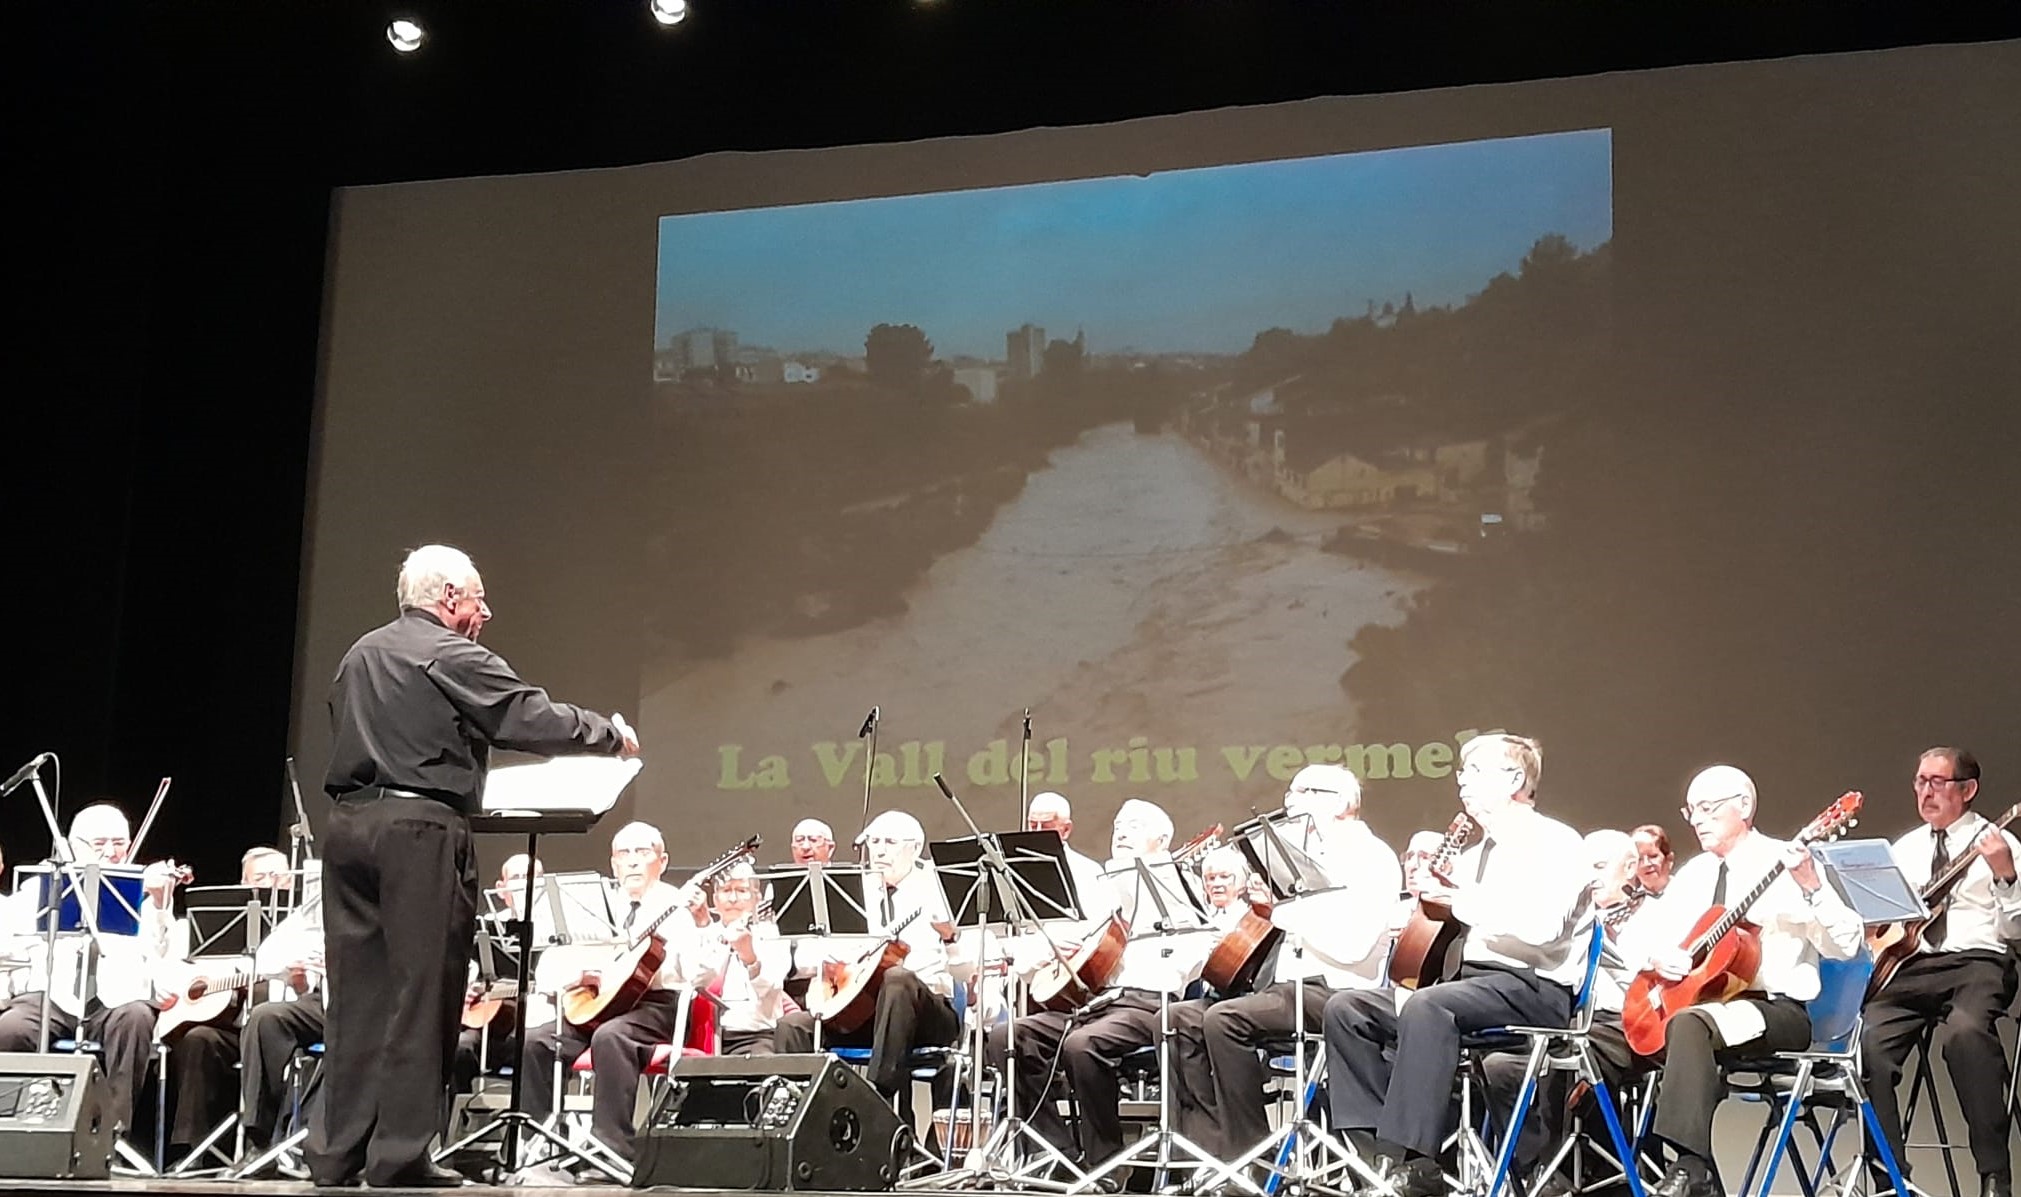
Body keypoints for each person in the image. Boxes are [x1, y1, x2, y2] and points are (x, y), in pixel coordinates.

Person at [310, 543, 638, 1189]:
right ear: (449, 596)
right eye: (478, 598)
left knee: (358, 998)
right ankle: (400, 1157)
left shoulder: (359, 653)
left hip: (349, 828)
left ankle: (336, 1153)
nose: (485, 611)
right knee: (423, 994)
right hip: (418, 829)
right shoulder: (450, 651)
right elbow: (524, 714)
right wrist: (609, 736)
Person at [1324, 734, 1593, 1197]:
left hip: (1534, 987)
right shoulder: (1473, 857)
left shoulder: (1557, 842)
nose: (1460, 779)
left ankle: (1418, 1166)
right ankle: (1376, 1162)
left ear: (1514, 779)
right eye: (1461, 771)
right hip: (1472, 987)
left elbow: (1544, 929)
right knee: (1348, 1009)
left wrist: (1461, 901)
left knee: (1431, 1008)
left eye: (1474, 771)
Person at [1618, 765, 1863, 1197]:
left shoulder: (1788, 863)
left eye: (1708, 808)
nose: (1696, 819)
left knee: (1688, 1025)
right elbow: (1637, 936)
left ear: (1745, 806)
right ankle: (1678, 1172)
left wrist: (1811, 886)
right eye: (1691, 809)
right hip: (1711, 1006)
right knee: (1644, 1034)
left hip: (1777, 1010)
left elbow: (1847, 944)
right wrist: (1660, 956)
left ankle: (1692, 1168)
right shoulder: (1694, 874)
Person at [1176, 764, 1400, 1161]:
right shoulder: (1302, 858)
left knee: (1225, 1021)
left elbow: (1352, 948)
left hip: (1339, 992)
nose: (1290, 802)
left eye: (1304, 792)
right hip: (1288, 990)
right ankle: (1216, 1151)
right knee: (1183, 1019)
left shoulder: (1371, 857)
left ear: (1341, 804)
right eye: (1290, 793)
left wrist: (1281, 913)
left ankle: (1252, 1159)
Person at [1006, 799, 1213, 1171]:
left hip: (1150, 1002)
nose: (1121, 831)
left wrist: (1163, 956)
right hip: (1099, 1004)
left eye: (1134, 825)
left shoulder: (1178, 885)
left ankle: (1107, 1161)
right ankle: (1054, 1153)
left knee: (1083, 1045)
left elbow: (1202, 947)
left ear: (1162, 839)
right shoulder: (1101, 886)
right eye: (1118, 824)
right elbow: (1075, 945)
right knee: (1012, 1036)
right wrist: (1067, 954)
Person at [1861, 748, 2018, 1197]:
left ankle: (1994, 1177)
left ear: (1967, 790)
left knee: (1966, 1035)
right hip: (1914, 966)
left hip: (1978, 962)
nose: (1925, 792)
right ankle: (1887, 1177)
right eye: (1919, 781)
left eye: (1937, 782)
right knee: (1867, 1045)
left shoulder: (1999, 842)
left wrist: (2005, 875)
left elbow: (2016, 930)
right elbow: (1881, 922)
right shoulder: (1904, 849)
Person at [1480, 829, 1662, 1188]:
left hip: (1624, 1026)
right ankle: (1536, 1172)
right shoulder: (1571, 919)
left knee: (1561, 1059)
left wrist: (1623, 951)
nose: (1587, 878)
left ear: (1630, 868)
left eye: (1597, 866)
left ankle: (1565, 1170)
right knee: (1496, 1066)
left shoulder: (1655, 915)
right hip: (1563, 1022)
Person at [521, 821, 706, 1162]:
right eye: (624, 853)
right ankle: (539, 1145)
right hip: (601, 1006)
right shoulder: (596, 908)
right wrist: (580, 974)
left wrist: (697, 924)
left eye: (642, 852)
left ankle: (611, 1148)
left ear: (662, 861)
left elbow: (696, 974)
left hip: (656, 1007)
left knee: (610, 1037)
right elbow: (551, 967)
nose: (633, 861)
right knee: (536, 1042)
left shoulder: (677, 905)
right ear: (613, 864)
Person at [0, 802, 181, 1146]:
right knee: (10, 1029)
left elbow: (162, 954)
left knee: (137, 1019)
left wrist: (158, 906)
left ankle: (111, 1134)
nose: (112, 853)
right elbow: (7, 940)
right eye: (99, 844)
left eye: (119, 844)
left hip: (112, 1000)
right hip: (50, 997)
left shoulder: (139, 891)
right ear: (72, 845)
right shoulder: (43, 885)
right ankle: (10, 1128)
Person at [775, 810, 960, 1097]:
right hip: (863, 1010)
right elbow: (804, 959)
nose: (879, 851)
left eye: (889, 842)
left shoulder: (939, 888)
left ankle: (877, 1098)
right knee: (792, 1027)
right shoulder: (851, 891)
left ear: (914, 848)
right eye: (873, 842)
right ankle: (803, 1117)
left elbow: (973, 969)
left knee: (898, 978)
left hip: (929, 1013)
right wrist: (832, 965)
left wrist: (951, 938)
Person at [685, 861, 791, 1055]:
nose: (733, 898)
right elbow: (693, 981)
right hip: (704, 1035)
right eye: (726, 890)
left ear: (757, 898)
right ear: (715, 899)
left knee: (766, 1075)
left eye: (742, 890)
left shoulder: (773, 934)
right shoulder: (703, 931)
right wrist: (705, 930)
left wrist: (749, 956)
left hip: (755, 1036)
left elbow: (771, 987)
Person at [1633, 824, 1677, 897]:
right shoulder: (1629, 904)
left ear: (1669, 859)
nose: (1646, 864)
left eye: (1653, 856)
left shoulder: (1688, 890)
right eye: (1639, 859)